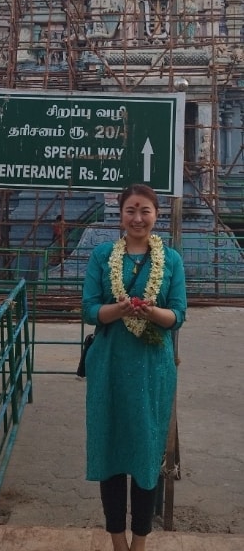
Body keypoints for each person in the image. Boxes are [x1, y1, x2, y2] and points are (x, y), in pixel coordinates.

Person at [81, 184, 187, 551]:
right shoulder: (102, 255)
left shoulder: (171, 260)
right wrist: (120, 310)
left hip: (152, 370)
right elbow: (89, 309)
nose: (137, 218)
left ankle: (139, 543)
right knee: (110, 449)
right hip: (109, 367)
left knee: (145, 452)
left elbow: (178, 315)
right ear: (121, 215)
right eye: (131, 210)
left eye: (145, 211)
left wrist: (152, 312)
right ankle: (117, 542)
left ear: (156, 215)